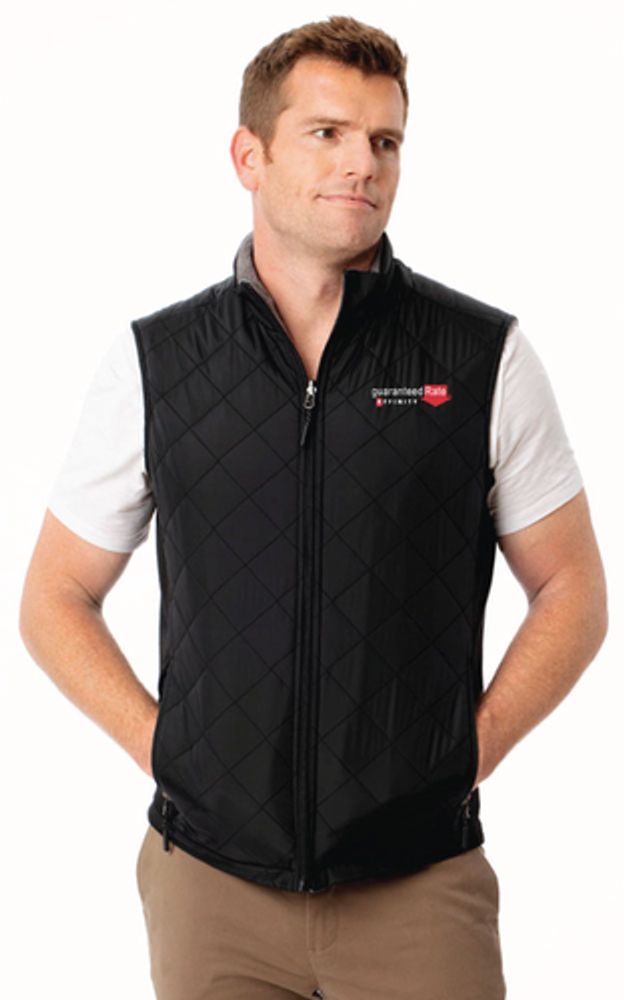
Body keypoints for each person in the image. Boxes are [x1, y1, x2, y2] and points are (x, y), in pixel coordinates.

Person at [18, 14, 607, 1000]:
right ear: (248, 157)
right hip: (210, 889)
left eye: (385, 140)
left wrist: (471, 751)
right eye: (327, 133)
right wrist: (165, 750)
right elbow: (54, 596)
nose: (362, 163)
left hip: (419, 886)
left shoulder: (482, 358)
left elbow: (574, 588)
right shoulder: (157, 364)